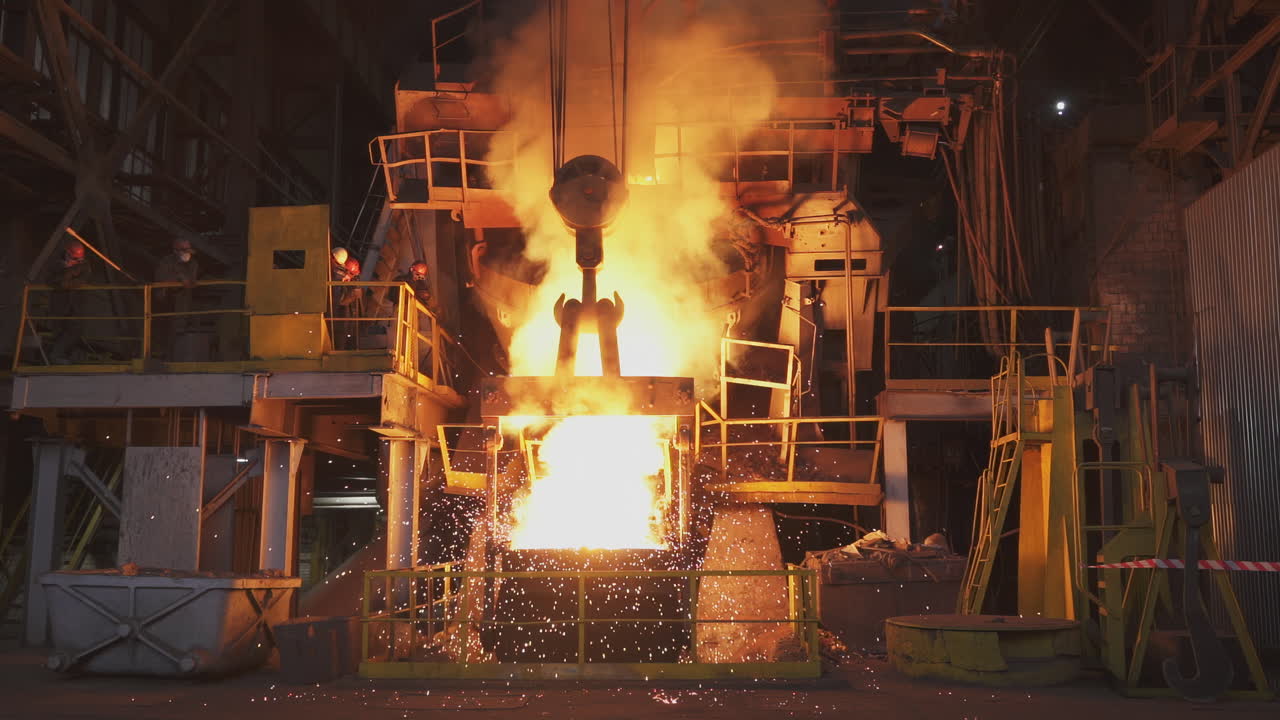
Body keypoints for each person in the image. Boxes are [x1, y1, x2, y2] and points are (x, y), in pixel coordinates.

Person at [46, 239, 92, 363]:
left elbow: (77, 281)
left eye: (79, 259)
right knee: (59, 330)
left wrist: (67, 274)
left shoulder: (84, 266)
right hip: (59, 304)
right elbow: (51, 280)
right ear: (67, 254)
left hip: (76, 304)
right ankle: (59, 357)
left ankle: (58, 355)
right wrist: (68, 276)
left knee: (75, 329)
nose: (77, 261)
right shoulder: (56, 264)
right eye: (75, 258)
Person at [154, 239, 199, 359]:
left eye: (188, 250)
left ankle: (174, 356)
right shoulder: (166, 262)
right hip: (164, 300)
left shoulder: (193, 263)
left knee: (178, 328)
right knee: (162, 328)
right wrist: (179, 278)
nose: (187, 253)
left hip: (181, 300)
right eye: (184, 250)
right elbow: (161, 280)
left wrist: (184, 280)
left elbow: (191, 283)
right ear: (175, 251)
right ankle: (162, 355)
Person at [394, 260, 439, 377]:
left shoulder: (421, 285)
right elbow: (393, 295)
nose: (418, 277)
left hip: (414, 316)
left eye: (421, 275)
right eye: (417, 274)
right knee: (401, 338)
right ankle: (401, 360)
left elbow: (430, 303)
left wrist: (427, 296)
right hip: (401, 314)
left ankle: (411, 364)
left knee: (412, 340)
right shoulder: (400, 280)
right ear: (411, 270)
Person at [333, 257, 365, 350]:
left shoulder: (352, 286)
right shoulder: (346, 285)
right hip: (343, 322)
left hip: (347, 322)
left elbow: (344, 302)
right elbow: (341, 301)